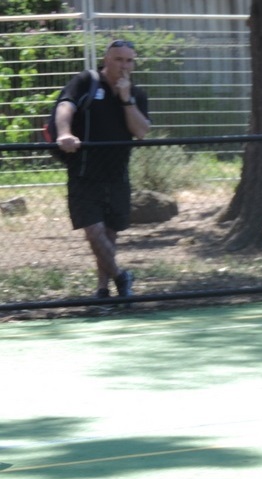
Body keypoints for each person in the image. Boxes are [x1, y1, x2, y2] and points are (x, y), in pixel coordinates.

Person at [54, 39, 150, 300]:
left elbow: (140, 131)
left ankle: (103, 290)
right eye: (118, 59)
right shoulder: (87, 81)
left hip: (117, 175)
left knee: (109, 236)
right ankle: (121, 276)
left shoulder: (136, 94)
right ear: (107, 59)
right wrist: (65, 133)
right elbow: (65, 105)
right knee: (95, 234)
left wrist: (126, 100)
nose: (124, 65)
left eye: (129, 60)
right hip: (84, 173)